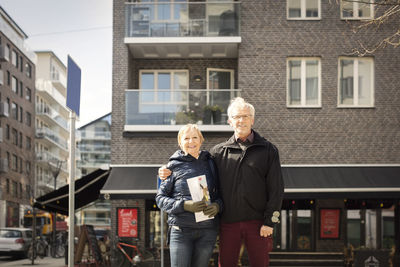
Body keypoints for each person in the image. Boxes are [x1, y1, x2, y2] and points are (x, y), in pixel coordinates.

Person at [159, 97, 284, 267]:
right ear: (229, 121)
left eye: (245, 116)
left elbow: (276, 188)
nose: (241, 120)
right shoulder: (217, 152)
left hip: (258, 223)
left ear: (252, 120)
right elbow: (193, 164)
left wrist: (270, 221)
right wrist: (164, 170)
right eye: (237, 117)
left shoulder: (268, 150)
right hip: (227, 223)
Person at [156, 124, 223, 267]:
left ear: (201, 140)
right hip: (181, 231)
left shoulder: (212, 163)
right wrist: (184, 205)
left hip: (207, 231)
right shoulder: (172, 167)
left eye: (194, 137)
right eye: (186, 138)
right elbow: (160, 199)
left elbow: (222, 193)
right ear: (180, 142)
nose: (191, 141)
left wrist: (218, 206)